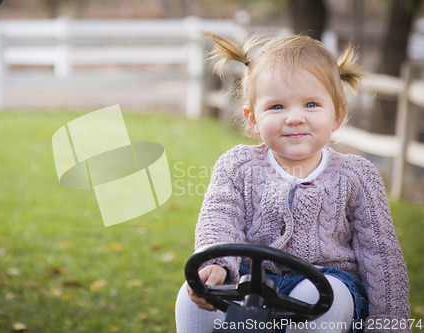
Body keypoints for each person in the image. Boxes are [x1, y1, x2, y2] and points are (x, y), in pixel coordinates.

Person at [175, 32, 410, 333]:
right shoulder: (238, 166)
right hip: (249, 281)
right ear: (253, 119)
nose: (295, 118)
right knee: (188, 295)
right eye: (277, 107)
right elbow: (219, 219)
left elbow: (381, 255)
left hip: (327, 282)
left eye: (311, 104)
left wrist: (389, 322)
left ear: (337, 114)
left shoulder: (357, 176)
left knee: (318, 295)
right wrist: (217, 265)